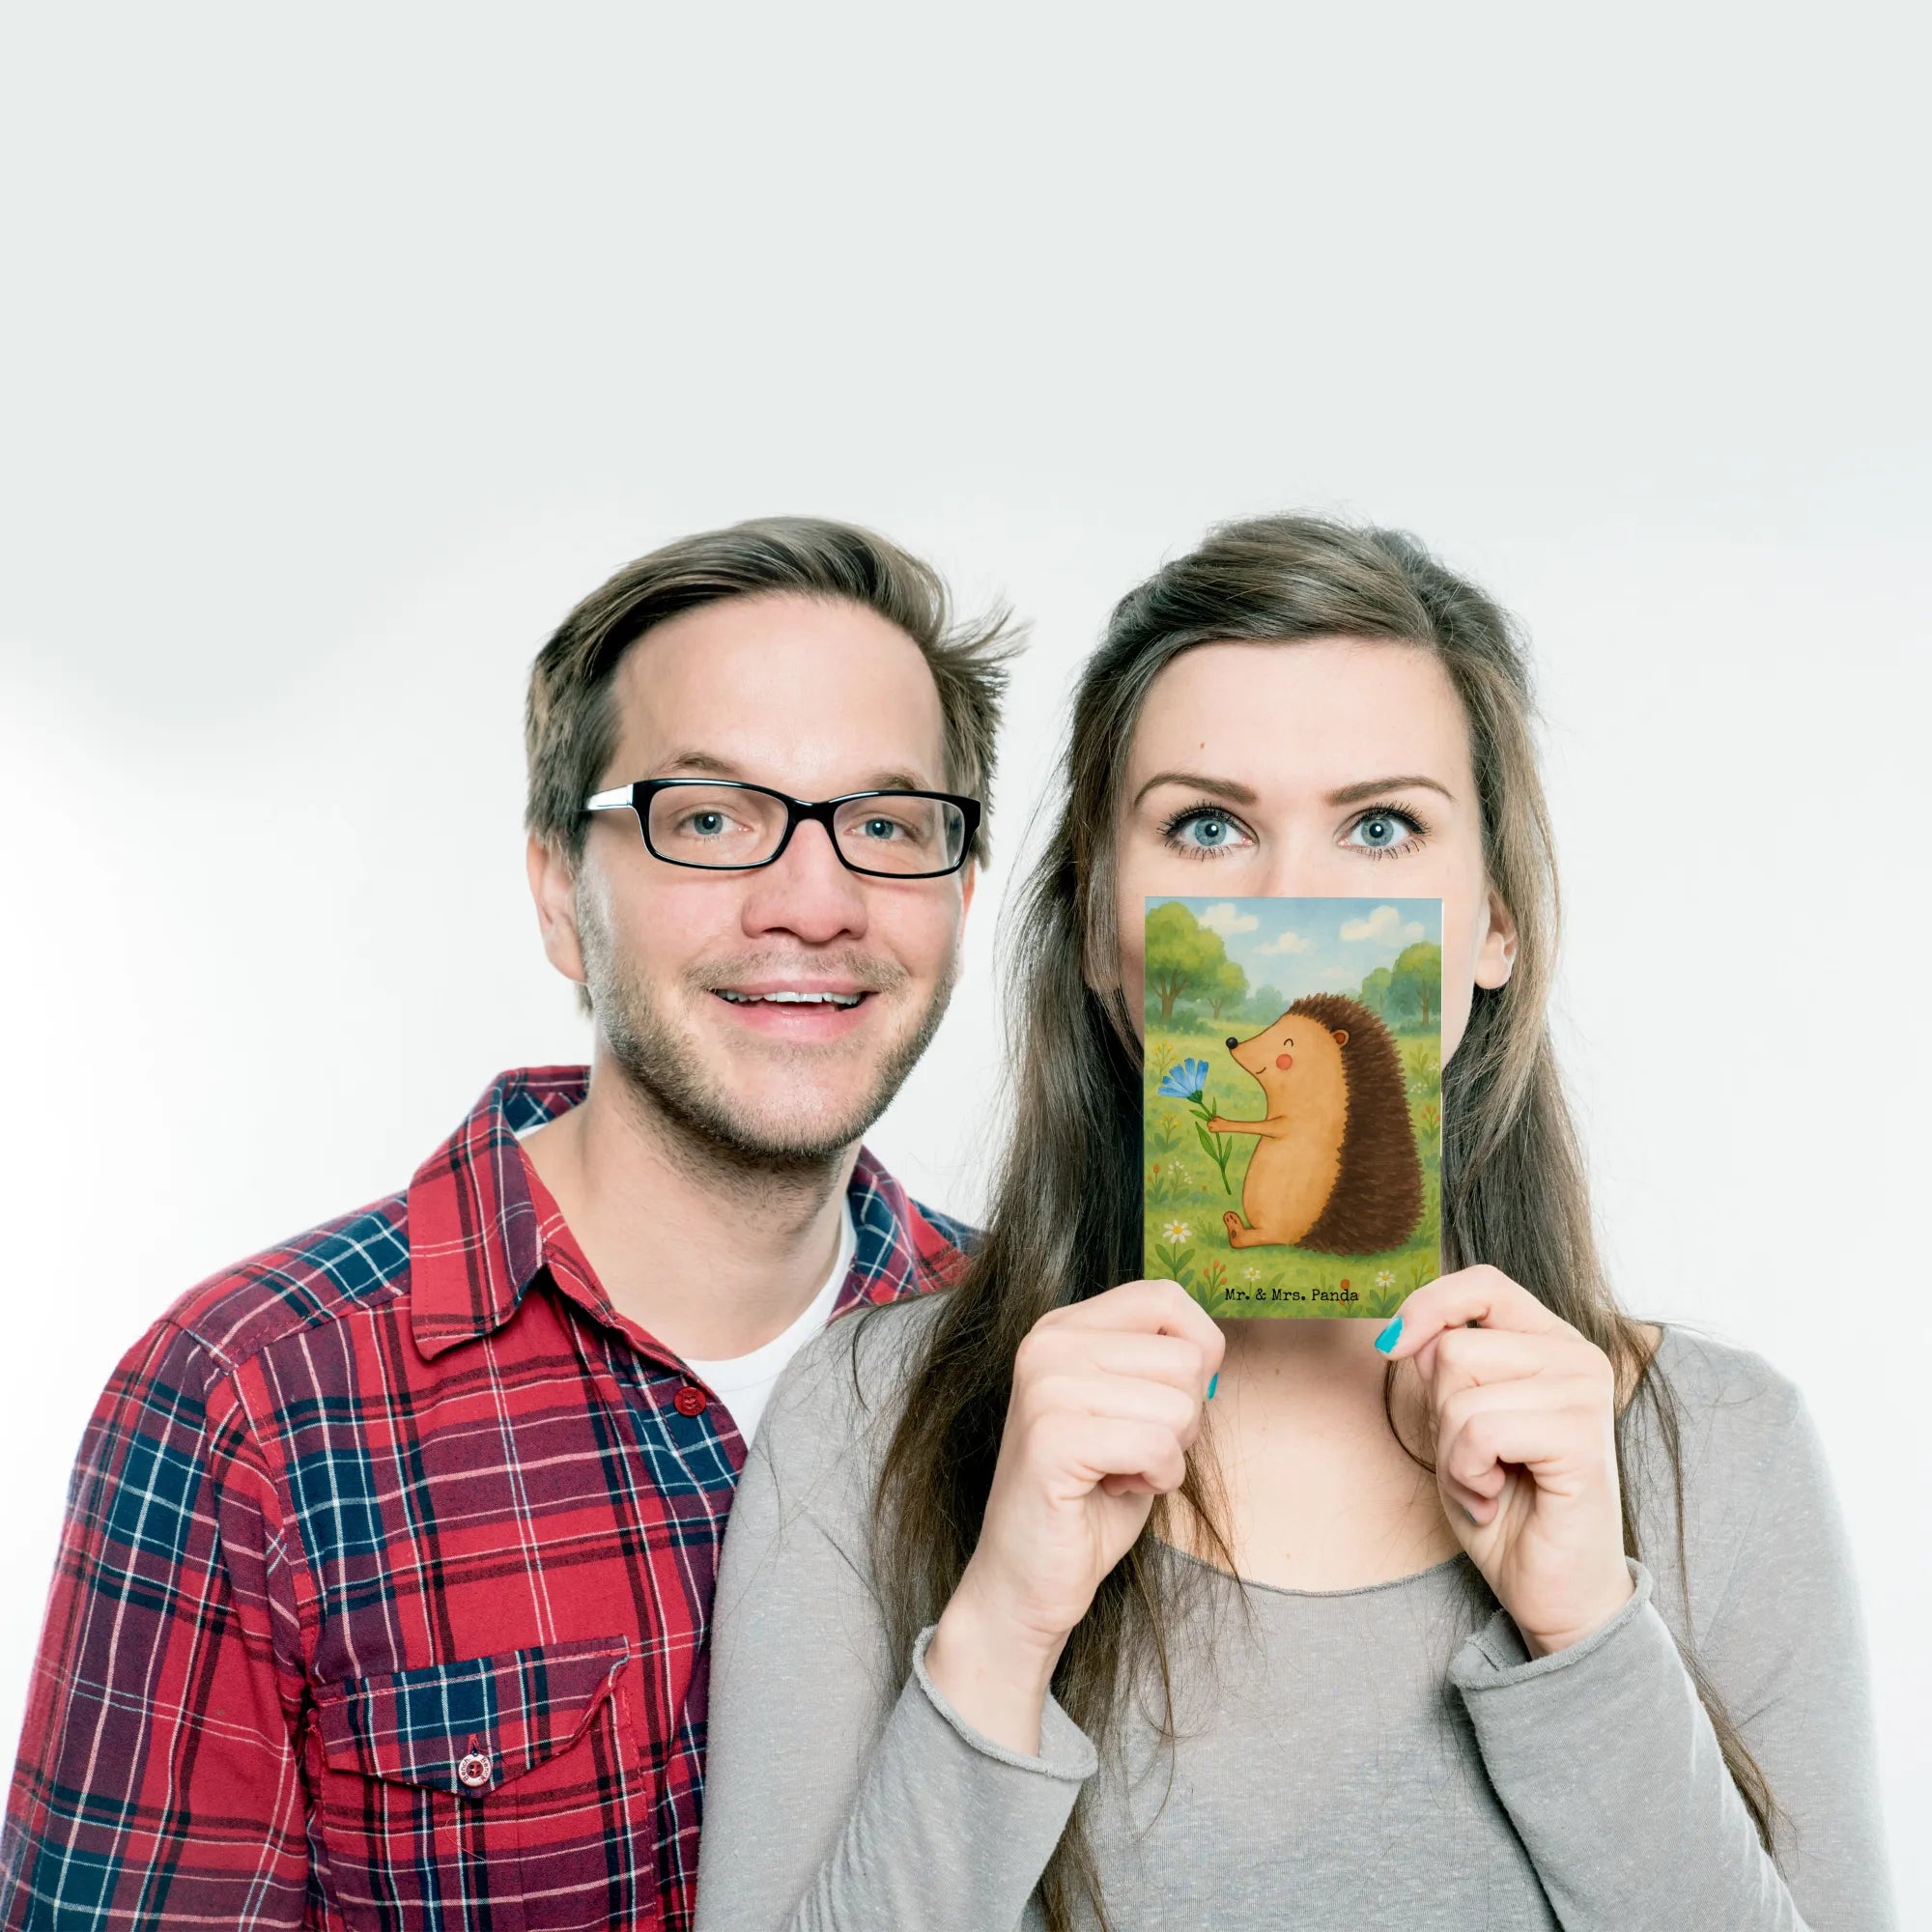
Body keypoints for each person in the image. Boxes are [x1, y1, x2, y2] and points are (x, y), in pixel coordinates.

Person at [695, 515, 1896, 1929]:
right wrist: (1002, 1624)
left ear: (1494, 925)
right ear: (1097, 926)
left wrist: (1585, 1631)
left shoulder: (1723, 1450)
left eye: (1381, 828)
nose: (1293, 903)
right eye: (1207, 827)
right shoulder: (867, 1422)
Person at [0, 517, 1014, 1930]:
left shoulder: (1030, 1348)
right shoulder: (246, 1404)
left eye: (888, 827)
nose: (815, 902)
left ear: (960, 891)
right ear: (558, 895)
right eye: (710, 820)